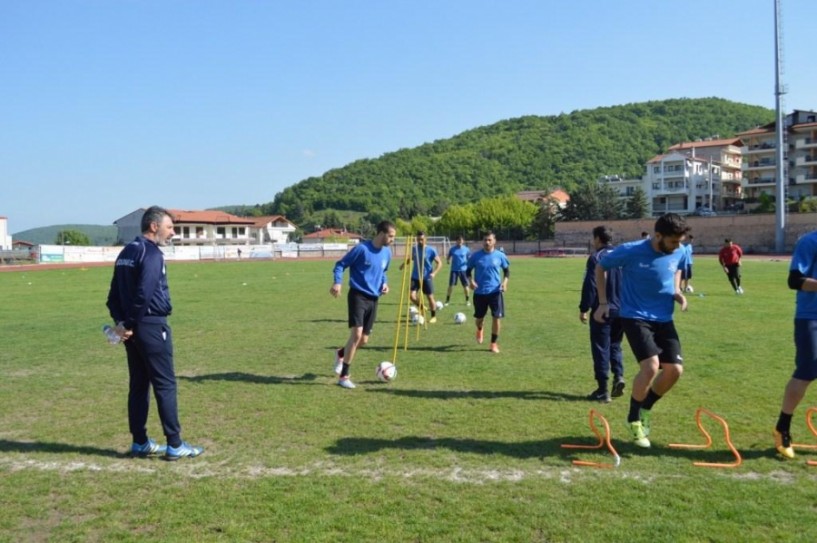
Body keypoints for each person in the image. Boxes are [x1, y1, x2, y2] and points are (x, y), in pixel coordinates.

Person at [106, 206, 204, 460]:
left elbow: (112, 297)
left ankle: (140, 442)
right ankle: (175, 444)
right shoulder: (151, 254)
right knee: (165, 384)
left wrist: (121, 323)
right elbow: (145, 294)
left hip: (132, 329)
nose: (172, 233)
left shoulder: (126, 252)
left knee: (138, 385)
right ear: (154, 226)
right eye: (169, 227)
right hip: (150, 326)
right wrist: (126, 324)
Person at [594, 213, 690, 448]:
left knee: (675, 370)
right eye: (673, 241)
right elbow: (600, 267)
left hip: (664, 317)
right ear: (658, 236)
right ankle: (633, 419)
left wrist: (677, 290)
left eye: (680, 241)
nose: (678, 246)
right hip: (635, 316)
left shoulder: (680, 250)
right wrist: (603, 302)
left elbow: (678, 266)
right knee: (651, 366)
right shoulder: (631, 250)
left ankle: (645, 407)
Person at [330, 220, 397, 389]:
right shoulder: (361, 249)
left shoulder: (387, 253)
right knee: (357, 334)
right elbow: (340, 265)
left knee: (364, 340)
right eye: (391, 236)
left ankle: (340, 353)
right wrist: (338, 282)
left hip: (374, 299)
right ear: (381, 233)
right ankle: (344, 376)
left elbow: (383, 272)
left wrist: (385, 283)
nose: (392, 240)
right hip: (358, 295)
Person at [773, 229, 817, 459]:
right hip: (811, 316)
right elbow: (795, 280)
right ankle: (782, 428)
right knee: (807, 371)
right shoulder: (810, 241)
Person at [579, 225, 625, 403]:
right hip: (622, 310)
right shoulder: (621, 256)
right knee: (615, 345)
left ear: (598, 239)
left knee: (600, 348)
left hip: (602, 309)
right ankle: (619, 376)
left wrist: (584, 308)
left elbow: (590, 285)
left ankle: (603, 390)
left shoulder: (596, 257)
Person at [466, 231, 510, 354]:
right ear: (482, 241)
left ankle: (493, 344)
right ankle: (480, 328)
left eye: (490, 240)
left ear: (494, 241)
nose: (487, 242)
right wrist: (470, 281)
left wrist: (505, 283)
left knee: (496, 317)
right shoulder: (475, 256)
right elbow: (468, 271)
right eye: (485, 240)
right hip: (479, 293)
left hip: (495, 292)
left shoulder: (500, 256)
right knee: (479, 318)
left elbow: (507, 271)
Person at [400, 231, 442, 323]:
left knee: (430, 297)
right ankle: (422, 307)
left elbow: (439, 263)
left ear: (425, 239)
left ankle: (433, 316)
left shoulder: (431, 250)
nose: (420, 241)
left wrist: (434, 273)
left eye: (422, 239)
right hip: (415, 276)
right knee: (411, 296)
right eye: (418, 239)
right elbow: (411, 258)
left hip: (426, 277)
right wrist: (403, 264)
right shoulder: (414, 248)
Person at [445, 235, 471, 307]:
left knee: (466, 286)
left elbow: (470, 259)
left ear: (463, 241)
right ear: (456, 241)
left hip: (464, 271)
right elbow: (448, 257)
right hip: (454, 270)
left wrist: (468, 263)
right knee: (451, 286)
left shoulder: (466, 249)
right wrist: (448, 261)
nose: (460, 241)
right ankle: (447, 300)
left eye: (461, 240)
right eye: (458, 240)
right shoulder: (452, 249)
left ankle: (467, 300)